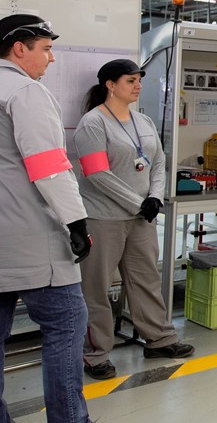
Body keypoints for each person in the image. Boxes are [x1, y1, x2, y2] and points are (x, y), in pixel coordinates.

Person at [0, 14, 135, 423]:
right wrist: (76, 220)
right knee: (68, 324)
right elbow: (49, 167)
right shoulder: (25, 92)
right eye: (45, 48)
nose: (51, 58)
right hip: (29, 235)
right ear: (20, 48)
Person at [74, 59, 195, 381]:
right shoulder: (93, 123)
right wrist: (138, 203)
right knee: (96, 287)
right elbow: (96, 173)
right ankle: (95, 354)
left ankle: (159, 338)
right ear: (110, 85)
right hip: (103, 217)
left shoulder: (143, 120)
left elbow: (158, 161)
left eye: (139, 79)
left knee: (146, 279)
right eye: (130, 80)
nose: (138, 85)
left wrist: (154, 197)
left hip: (141, 217)